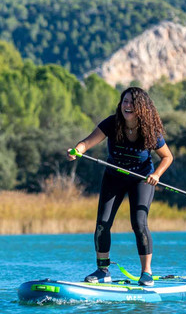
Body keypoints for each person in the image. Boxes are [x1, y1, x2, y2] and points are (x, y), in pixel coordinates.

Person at [67, 86, 173, 286]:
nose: (127, 106)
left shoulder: (150, 129)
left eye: (132, 103)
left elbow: (167, 156)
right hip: (113, 177)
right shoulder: (112, 123)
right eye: (125, 101)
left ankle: (146, 272)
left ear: (141, 107)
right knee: (102, 223)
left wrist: (156, 174)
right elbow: (87, 142)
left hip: (141, 179)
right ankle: (103, 271)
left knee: (139, 223)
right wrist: (77, 150)